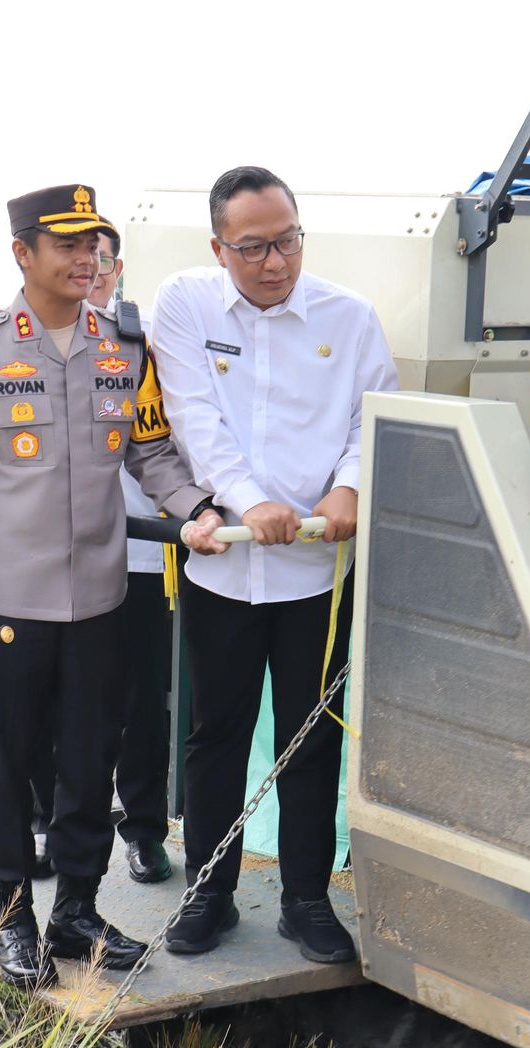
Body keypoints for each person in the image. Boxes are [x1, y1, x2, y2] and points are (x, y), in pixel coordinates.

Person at [0, 184, 225, 987]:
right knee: (8, 761)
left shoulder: (123, 346)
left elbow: (150, 455)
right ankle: (17, 919)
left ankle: (78, 914)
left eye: (93, 244)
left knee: (91, 759)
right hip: (6, 603)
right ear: (24, 254)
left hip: (98, 597)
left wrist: (196, 508)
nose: (87, 259)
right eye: (67, 245)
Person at [149, 166, 400, 964]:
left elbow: (371, 419)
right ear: (218, 247)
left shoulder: (349, 319)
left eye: (287, 240)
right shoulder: (185, 304)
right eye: (253, 247)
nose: (275, 263)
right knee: (215, 733)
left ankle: (305, 899)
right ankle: (208, 893)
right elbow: (192, 414)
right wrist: (250, 499)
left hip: (317, 578)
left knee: (311, 735)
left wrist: (351, 486)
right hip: (228, 564)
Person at [27, 228, 177, 886]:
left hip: (140, 555)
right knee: (50, 699)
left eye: (103, 262)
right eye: (76, 257)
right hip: (48, 556)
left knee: (144, 702)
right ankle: (48, 826)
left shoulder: (141, 346)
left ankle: (143, 830)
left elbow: (165, 445)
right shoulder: (12, 342)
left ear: (116, 271)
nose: (90, 271)